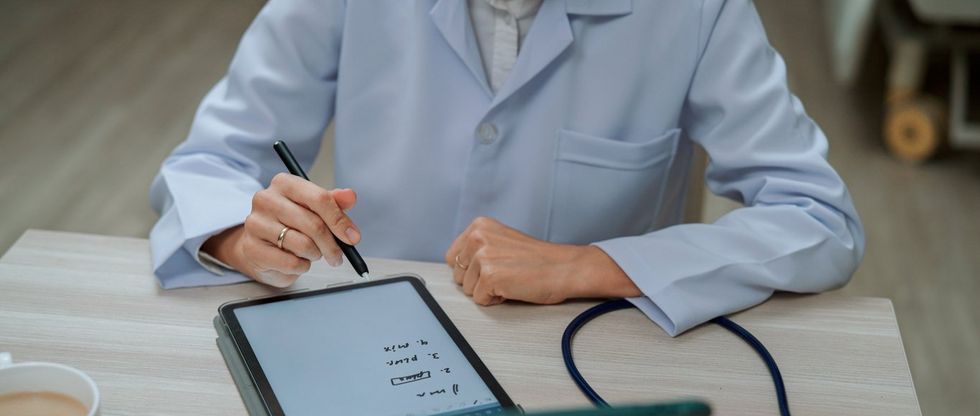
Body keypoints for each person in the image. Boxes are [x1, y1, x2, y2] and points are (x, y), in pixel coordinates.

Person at [149, 0, 864, 336]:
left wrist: (588, 265)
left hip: (591, 364)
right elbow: (211, 159)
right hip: (378, 346)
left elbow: (818, 219)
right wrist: (237, 229)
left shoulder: (695, 11)